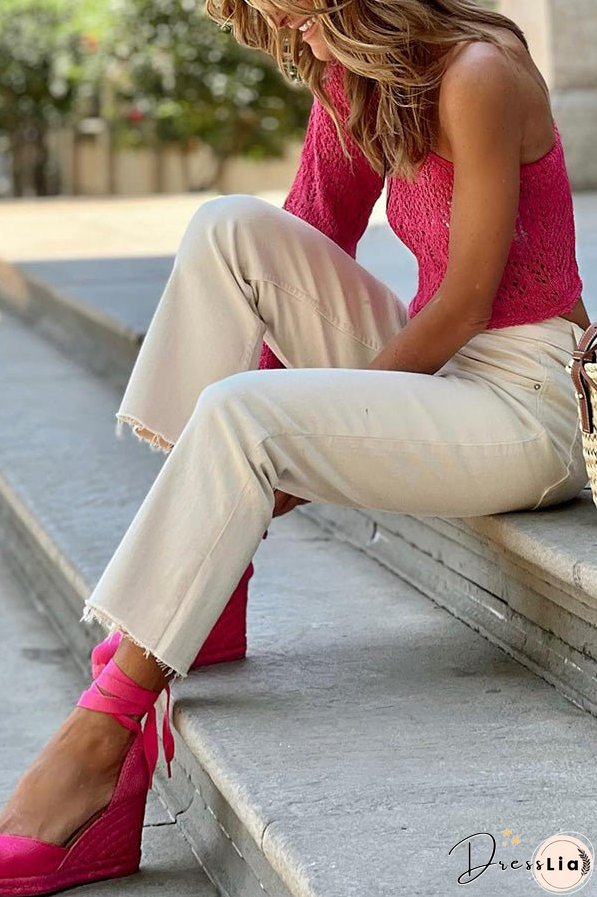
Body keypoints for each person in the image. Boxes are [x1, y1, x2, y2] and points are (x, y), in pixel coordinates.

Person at [0, 0, 591, 893]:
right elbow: (310, 234)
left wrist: (279, 455)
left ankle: (99, 741)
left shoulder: (477, 72)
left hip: (525, 399)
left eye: (301, 11)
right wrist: (237, 479)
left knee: (247, 417)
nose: (291, 33)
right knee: (228, 230)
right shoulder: (363, 76)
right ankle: (206, 587)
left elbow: (465, 304)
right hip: (449, 366)